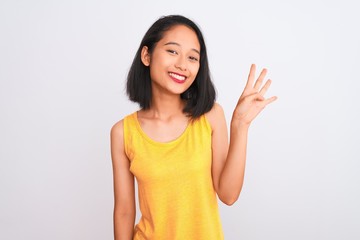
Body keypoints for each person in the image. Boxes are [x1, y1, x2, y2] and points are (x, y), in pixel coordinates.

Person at [110, 15, 277, 240]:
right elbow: (124, 212)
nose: (182, 64)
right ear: (147, 55)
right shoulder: (123, 132)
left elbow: (228, 195)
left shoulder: (210, 116)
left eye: (192, 57)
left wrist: (240, 125)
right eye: (172, 51)